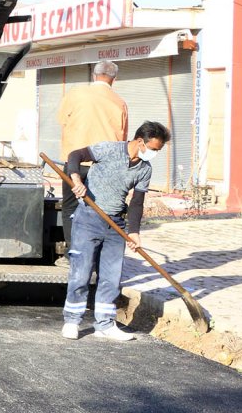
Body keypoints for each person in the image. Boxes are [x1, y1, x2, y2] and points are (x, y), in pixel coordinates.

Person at [61, 120, 170, 342]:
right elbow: (75, 155)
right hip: (88, 219)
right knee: (81, 274)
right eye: (154, 149)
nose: (155, 154)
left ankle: (105, 324)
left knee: (111, 277)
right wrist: (76, 178)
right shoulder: (108, 149)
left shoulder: (144, 169)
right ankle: (72, 321)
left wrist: (135, 232)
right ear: (140, 141)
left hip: (115, 225)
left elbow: (137, 202)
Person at [56, 59, 129, 259]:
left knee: (71, 206)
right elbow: (122, 139)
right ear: (114, 79)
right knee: (101, 208)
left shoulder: (75, 94)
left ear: (94, 75)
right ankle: (96, 254)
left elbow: (62, 120)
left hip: (75, 163)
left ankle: (74, 254)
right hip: (105, 167)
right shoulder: (119, 102)